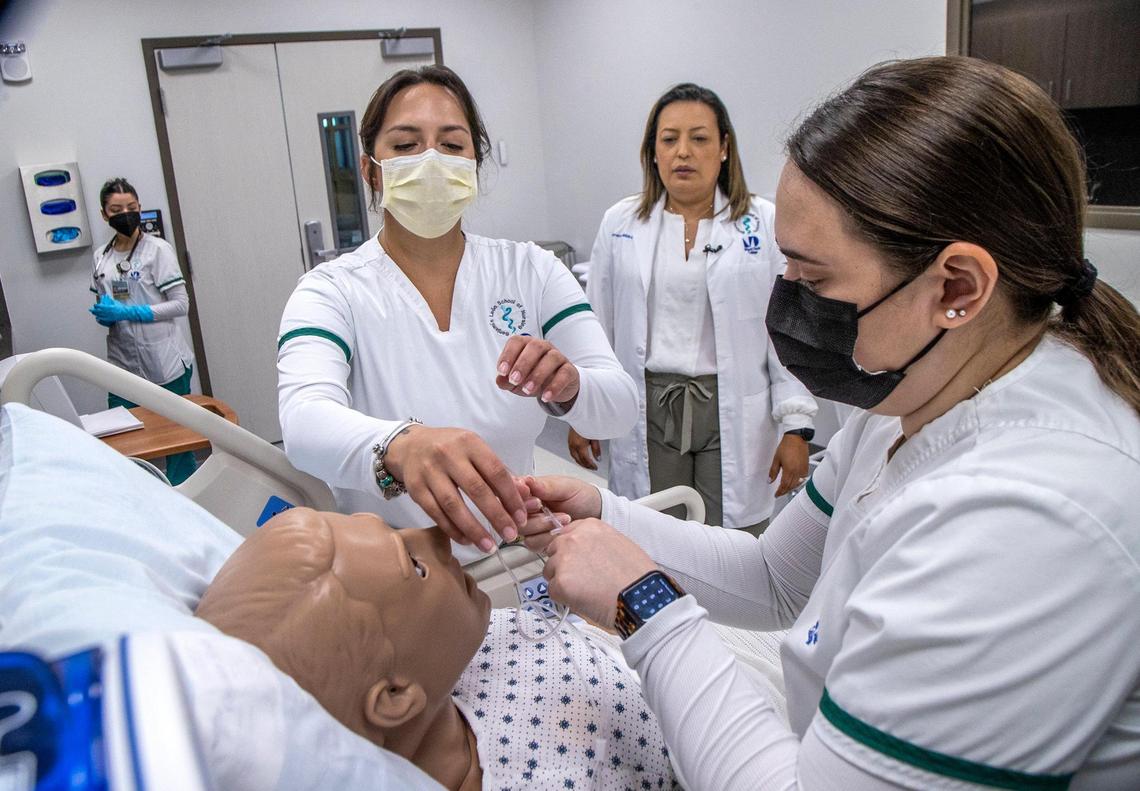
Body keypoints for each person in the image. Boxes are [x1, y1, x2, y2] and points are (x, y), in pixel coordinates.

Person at [518, 57, 1140, 788]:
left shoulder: (1032, 516)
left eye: (814, 279)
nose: (787, 303)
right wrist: (607, 511)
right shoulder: (920, 391)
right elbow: (775, 576)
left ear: (958, 288)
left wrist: (644, 604)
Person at [277, 66, 637, 562]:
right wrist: (399, 446)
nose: (430, 161)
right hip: (397, 578)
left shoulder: (531, 270)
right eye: (405, 146)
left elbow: (618, 408)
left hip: (520, 563)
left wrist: (571, 386)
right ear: (370, 170)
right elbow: (303, 424)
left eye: (451, 145)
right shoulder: (330, 291)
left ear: (475, 163)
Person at [195, 507, 679, 790]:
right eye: (415, 565)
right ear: (395, 696)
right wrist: (645, 606)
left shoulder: (455, 656)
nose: (434, 536)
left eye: (391, 526)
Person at [570, 83, 816, 534]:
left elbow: (787, 328)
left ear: (724, 147)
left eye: (699, 138)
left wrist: (796, 427)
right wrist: (585, 410)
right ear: (653, 151)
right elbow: (595, 325)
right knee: (657, 531)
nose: (683, 151)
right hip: (648, 405)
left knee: (732, 539)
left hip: (733, 406)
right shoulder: (620, 223)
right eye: (669, 139)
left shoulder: (762, 221)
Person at [89, 177, 197, 484]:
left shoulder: (157, 251)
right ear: (104, 214)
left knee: (177, 439)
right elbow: (104, 296)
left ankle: (184, 494)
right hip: (122, 362)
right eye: (116, 208)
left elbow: (180, 305)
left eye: (132, 207)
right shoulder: (102, 256)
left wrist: (132, 312)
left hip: (164, 360)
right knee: (126, 439)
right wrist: (107, 315)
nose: (125, 213)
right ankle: (141, 498)